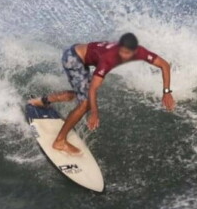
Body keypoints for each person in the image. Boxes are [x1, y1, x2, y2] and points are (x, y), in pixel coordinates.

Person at [28, 33, 175, 155]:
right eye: (122, 52)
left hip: (81, 54)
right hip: (73, 58)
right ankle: (60, 141)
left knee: (80, 94)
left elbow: (164, 65)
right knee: (85, 103)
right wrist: (94, 113)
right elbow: (93, 88)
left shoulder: (141, 52)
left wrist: (167, 92)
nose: (123, 56)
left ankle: (42, 101)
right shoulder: (109, 59)